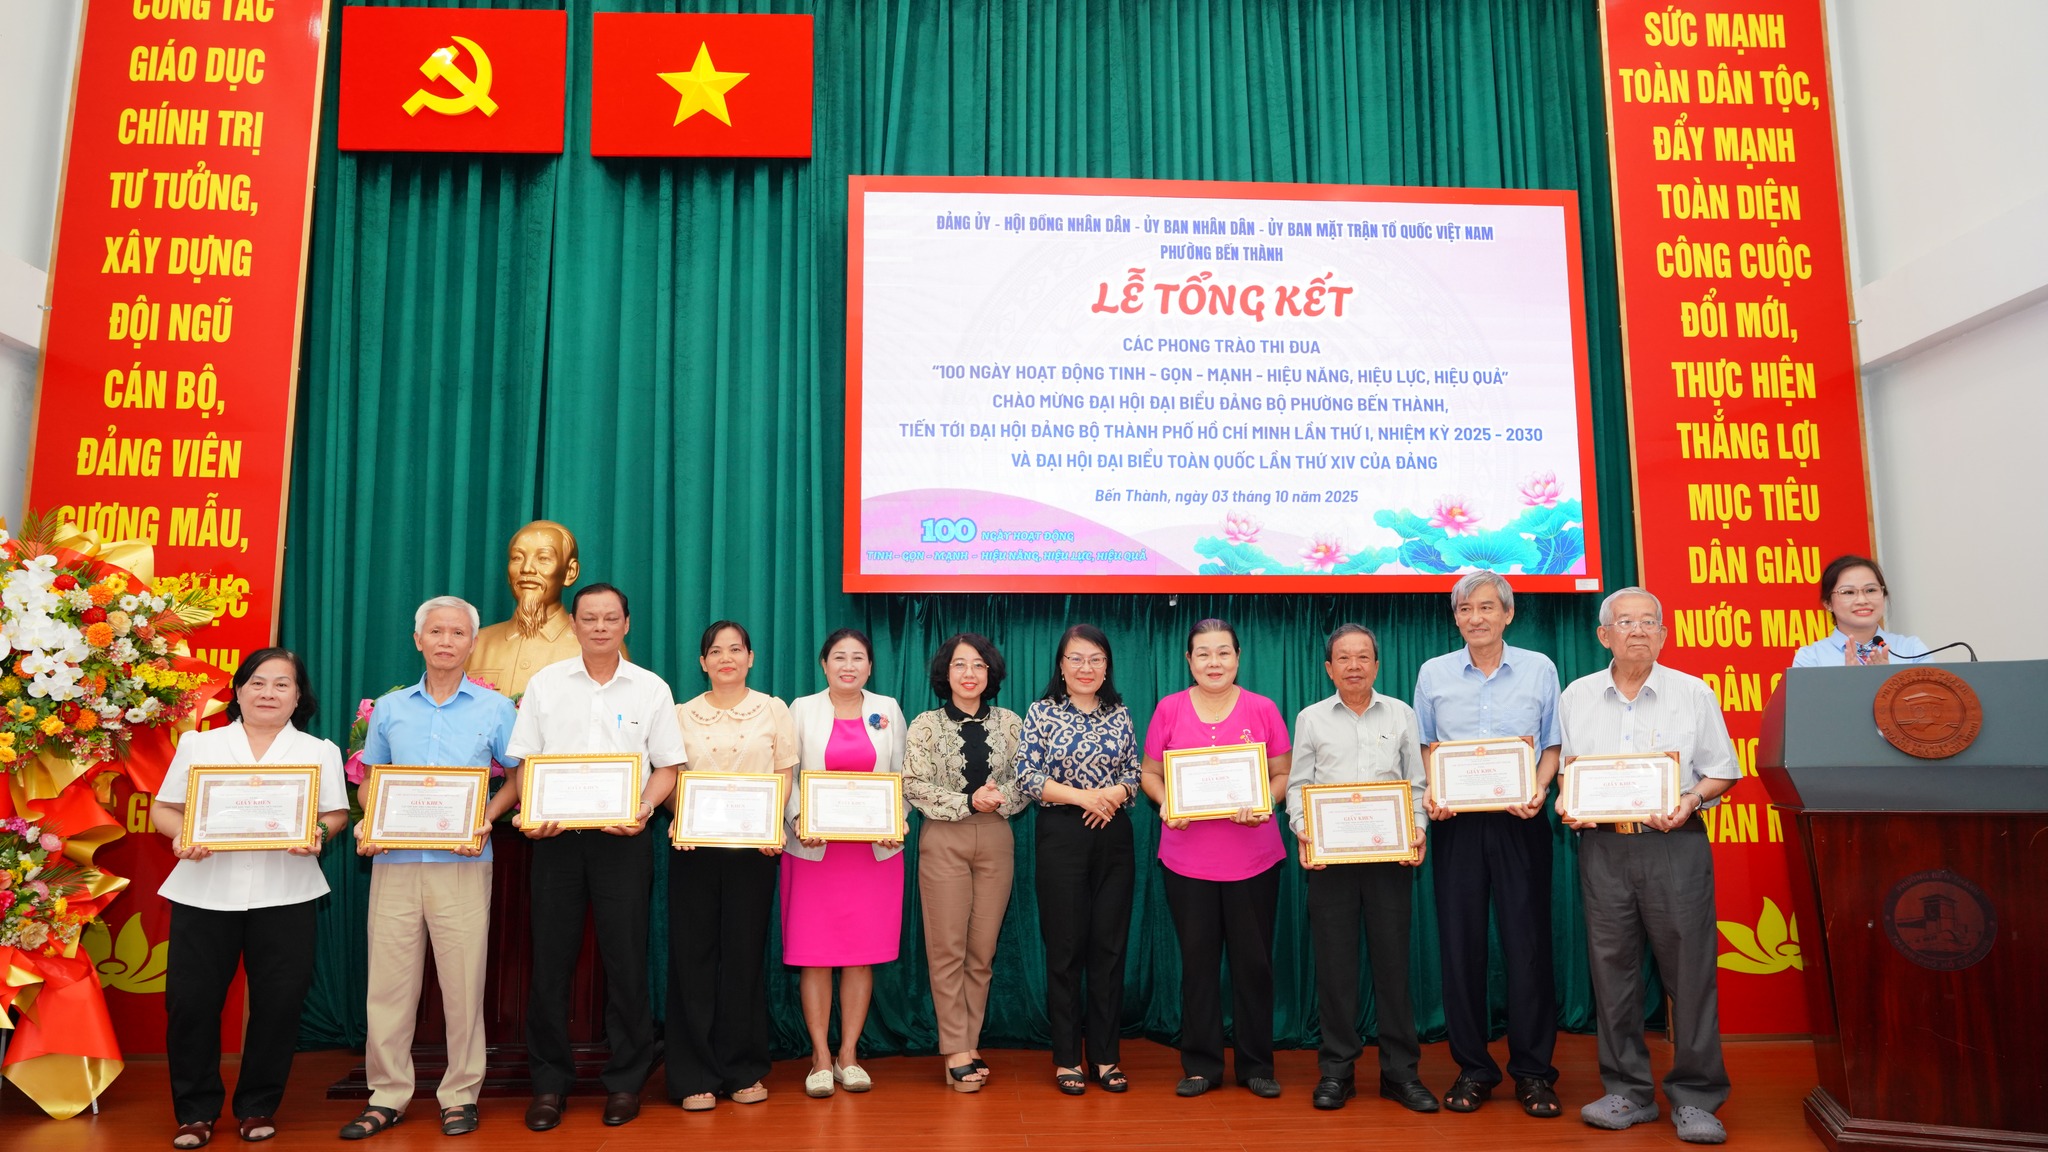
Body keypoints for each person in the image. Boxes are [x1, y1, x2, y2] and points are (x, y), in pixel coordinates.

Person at [1557, 588, 1739, 1145]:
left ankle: (1697, 1097)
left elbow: (1722, 771)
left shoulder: (1693, 692)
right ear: (1603, 635)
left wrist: (1691, 799)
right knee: (1612, 973)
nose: (1637, 630)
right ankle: (1627, 1092)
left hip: (1674, 845)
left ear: (1662, 634)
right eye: (1624, 621)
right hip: (1603, 849)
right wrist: (1568, 801)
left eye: (1648, 622)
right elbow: (1569, 771)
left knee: (1690, 974)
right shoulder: (1577, 696)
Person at [501, 583, 684, 1132]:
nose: (600, 627)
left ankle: (626, 1081)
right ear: (575, 624)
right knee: (549, 963)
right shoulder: (546, 684)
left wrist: (644, 809)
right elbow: (523, 762)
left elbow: (667, 767)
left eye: (610, 618)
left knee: (626, 962)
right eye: (589, 618)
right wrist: (531, 810)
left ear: (627, 624)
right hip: (555, 840)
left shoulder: (651, 688)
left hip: (622, 840)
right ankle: (549, 1084)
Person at [150, 648, 349, 1149]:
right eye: (257, 682)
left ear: (299, 697)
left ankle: (258, 1105)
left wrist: (318, 834)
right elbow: (165, 808)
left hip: (287, 893)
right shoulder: (200, 744)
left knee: (279, 1005)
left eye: (282, 685)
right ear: (238, 691)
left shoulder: (318, 750)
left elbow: (336, 814)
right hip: (205, 891)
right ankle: (195, 1112)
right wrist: (182, 836)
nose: (268, 693)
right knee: (192, 1004)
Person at [341, 597, 520, 1140]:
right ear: (418, 639)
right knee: (388, 986)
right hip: (395, 862)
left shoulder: (496, 709)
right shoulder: (390, 708)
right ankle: (387, 1095)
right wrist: (372, 821)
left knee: (463, 985)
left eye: (458, 633)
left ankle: (460, 1094)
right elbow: (370, 779)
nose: (446, 641)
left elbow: (520, 777)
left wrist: (486, 818)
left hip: (463, 862)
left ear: (473, 642)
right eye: (436, 631)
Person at [1413, 570, 1563, 1117]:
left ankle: (1534, 1072)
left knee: (1528, 946)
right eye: (1465, 609)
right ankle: (1473, 1068)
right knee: (1461, 947)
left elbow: (1552, 745)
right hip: (1457, 823)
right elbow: (1426, 746)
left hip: (1520, 820)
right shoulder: (1433, 673)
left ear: (1507, 613)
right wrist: (1436, 790)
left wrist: (1540, 789)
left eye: (1486, 607)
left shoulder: (1540, 668)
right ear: (1455, 618)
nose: (1475, 618)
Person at [1285, 623, 1437, 1114]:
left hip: (1389, 857)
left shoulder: (1401, 713)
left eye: (1363, 657)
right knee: (1335, 968)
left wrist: (1417, 829)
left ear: (1376, 664)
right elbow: (1298, 785)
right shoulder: (1311, 718)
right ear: (1329, 668)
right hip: (1331, 859)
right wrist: (1304, 828)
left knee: (1393, 966)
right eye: (1344, 658)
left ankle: (1400, 1073)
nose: (1354, 666)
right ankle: (1337, 1071)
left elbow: (1416, 782)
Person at [1140, 619, 1292, 1100]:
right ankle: (1201, 1064)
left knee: (1254, 965)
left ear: (1238, 657)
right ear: (1189, 660)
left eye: (1223, 652)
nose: (1214, 662)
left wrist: (1266, 802)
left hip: (1254, 858)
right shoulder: (1169, 708)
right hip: (1187, 861)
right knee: (1198, 964)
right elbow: (1149, 773)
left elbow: (1282, 772)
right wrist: (1166, 802)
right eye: (1203, 654)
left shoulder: (1262, 708)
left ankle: (1256, 1065)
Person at [665, 620, 796, 1112]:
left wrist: (771, 823)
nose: (726, 658)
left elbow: (784, 773)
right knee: (692, 958)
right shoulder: (680, 714)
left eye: (736, 649)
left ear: (750, 657)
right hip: (694, 849)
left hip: (753, 852)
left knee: (743, 958)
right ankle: (694, 1075)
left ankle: (742, 1068)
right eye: (716, 651)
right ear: (702, 662)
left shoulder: (774, 710)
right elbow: (670, 775)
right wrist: (681, 816)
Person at [782, 628, 908, 1099]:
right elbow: (787, 774)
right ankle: (819, 1057)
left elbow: (902, 775)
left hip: (871, 853)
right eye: (839, 657)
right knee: (814, 954)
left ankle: (848, 1056)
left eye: (858, 658)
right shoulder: (801, 709)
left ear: (870, 667)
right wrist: (798, 818)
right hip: (815, 851)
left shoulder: (888, 709)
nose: (848, 665)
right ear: (824, 664)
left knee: (859, 954)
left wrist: (895, 818)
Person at [1017, 624, 1141, 1096]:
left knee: (1109, 948)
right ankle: (1067, 1057)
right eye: (1076, 659)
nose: (1086, 668)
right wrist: (1084, 797)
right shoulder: (1041, 712)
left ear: (1107, 667)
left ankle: (1106, 1056)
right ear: (1061, 666)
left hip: (1113, 833)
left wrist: (1113, 794)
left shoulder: (1120, 714)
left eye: (1095, 659)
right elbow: (1027, 775)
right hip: (1062, 833)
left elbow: (1134, 772)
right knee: (1065, 949)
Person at [903, 632, 1027, 1093]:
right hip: (944, 837)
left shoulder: (1012, 723)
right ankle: (955, 1048)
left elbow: (1027, 779)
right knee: (947, 949)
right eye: (959, 664)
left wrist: (999, 798)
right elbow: (912, 783)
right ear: (945, 673)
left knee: (982, 951)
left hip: (996, 838)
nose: (969, 673)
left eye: (978, 665)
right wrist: (968, 801)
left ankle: (970, 1042)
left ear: (990, 672)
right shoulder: (925, 725)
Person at [468, 520, 606, 697]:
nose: (527, 568)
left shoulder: (598, 645)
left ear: (570, 572)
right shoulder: (476, 644)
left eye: (543, 558)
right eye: (517, 558)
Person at [1790, 555, 1930, 667]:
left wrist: (1888, 680)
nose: (1862, 600)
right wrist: (1850, 683)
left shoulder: (1912, 650)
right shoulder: (1811, 658)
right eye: (1848, 592)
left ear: (1883, 595)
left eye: (1871, 590)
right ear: (1828, 603)